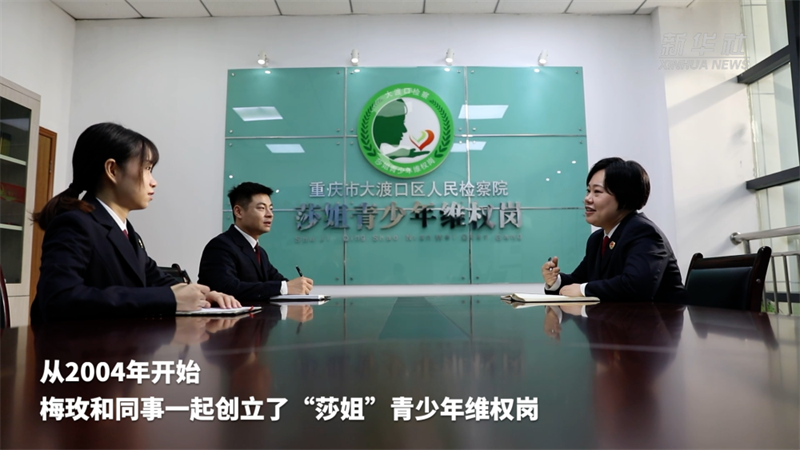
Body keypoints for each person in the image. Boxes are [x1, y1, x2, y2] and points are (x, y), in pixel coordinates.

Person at [31, 122, 239, 322]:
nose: (153, 181)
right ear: (112, 170)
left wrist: (203, 295)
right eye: (147, 168)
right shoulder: (75, 224)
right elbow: (59, 299)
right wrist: (169, 298)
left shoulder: (127, 232)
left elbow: (154, 277)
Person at [542, 157, 687, 303]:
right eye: (588, 191)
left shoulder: (643, 232)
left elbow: (636, 286)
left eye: (597, 191)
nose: (587, 199)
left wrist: (583, 290)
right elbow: (578, 280)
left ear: (624, 197)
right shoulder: (597, 239)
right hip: (619, 316)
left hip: (660, 316)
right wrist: (555, 281)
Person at [197, 182, 313, 302]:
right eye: (261, 208)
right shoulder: (220, 246)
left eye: (271, 209)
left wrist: (296, 286)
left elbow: (277, 281)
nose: (270, 214)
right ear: (238, 212)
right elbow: (226, 288)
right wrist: (284, 287)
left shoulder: (260, 252)